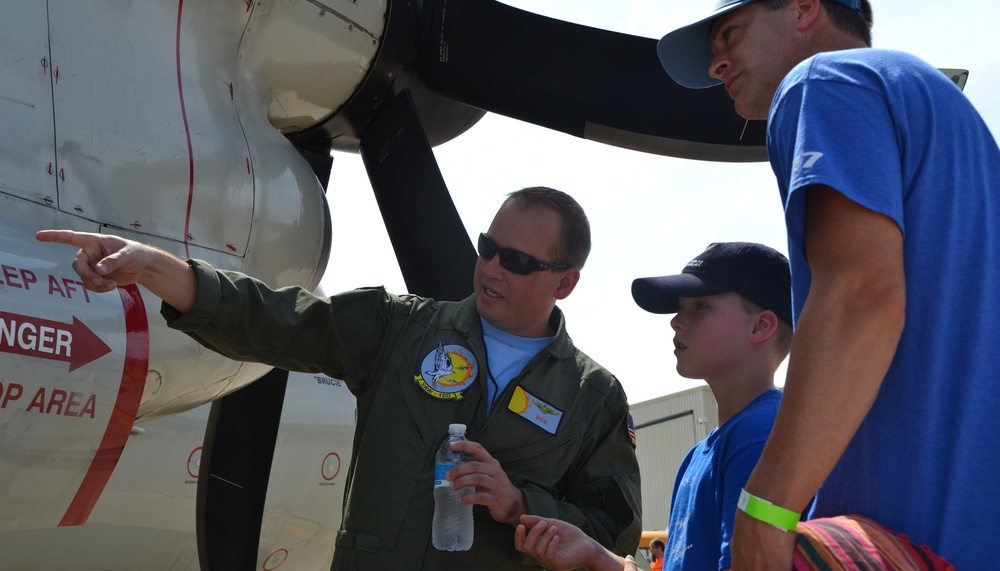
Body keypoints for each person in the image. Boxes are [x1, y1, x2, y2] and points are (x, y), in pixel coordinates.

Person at [37, 186, 642, 570]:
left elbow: (612, 536)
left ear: (564, 282)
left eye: (518, 262)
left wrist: (518, 504)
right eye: (488, 247)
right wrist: (152, 265)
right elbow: (270, 319)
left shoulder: (592, 397)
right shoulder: (400, 329)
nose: (490, 268)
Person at [654, 0, 998, 569]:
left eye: (730, 35)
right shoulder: (952, 116)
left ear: (805, 9)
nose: (717, 64)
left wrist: (766, 507)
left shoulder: (823, 80)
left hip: (918, 538)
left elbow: (862, 292)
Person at [517, 242, 794, 571]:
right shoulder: (699, 455)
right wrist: (597, 555)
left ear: (761, 326)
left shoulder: (762, 434)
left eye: (700, 306)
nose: (677, 321)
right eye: (680, 307)